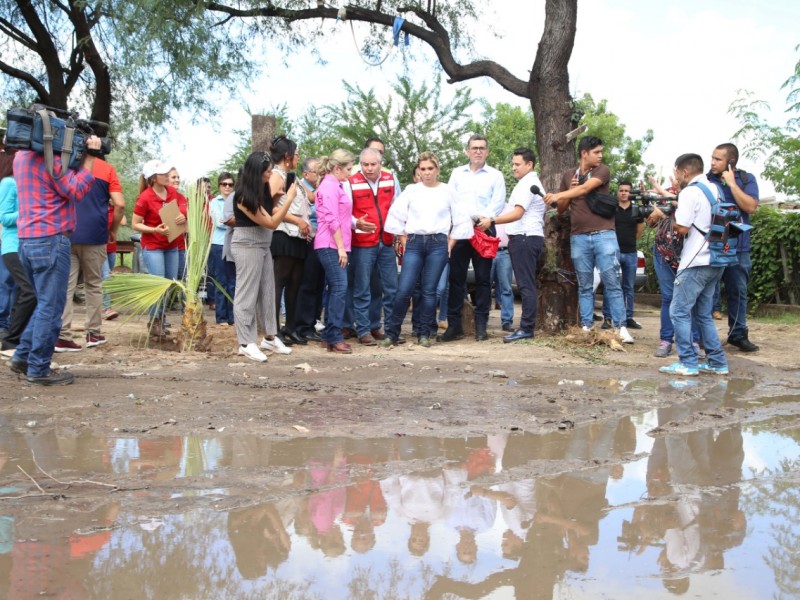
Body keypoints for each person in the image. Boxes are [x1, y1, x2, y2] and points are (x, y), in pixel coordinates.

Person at [9, 131, 102, 385]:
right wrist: (90, 158)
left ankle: (22, 356)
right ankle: (38, 369)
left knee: (43, 305)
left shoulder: (20, 157)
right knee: (51, 308)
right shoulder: (49, 160)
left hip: (27, 240)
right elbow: (76, 190)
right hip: (51, 239)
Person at [544, 135, 633, 344]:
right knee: (584, 285)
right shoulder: (568, 175)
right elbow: (562, 209)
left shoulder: (602, 171)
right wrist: (566, 195)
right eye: (596, 152)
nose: (600, 155)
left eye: (601, 151)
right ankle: (585, 326)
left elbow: (585, 188)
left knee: (612, 283)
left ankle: (620, 327)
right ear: (584, 153)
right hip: (579, 237)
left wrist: (559, 194)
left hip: (604, 235)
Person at [381, 151, 473, 347]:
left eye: (430, 168)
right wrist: (403, 238)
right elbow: (395, 215)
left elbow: (461, 219)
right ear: (418, 171)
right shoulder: (411, 191)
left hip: (438, 243)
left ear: (437, 169)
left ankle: (425, 333)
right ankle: (392, 333)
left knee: (430, 291)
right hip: (414, 242)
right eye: (423, 169)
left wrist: (450, 243)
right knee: (404, 289)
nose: (427, 173)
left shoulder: (448, 191)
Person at [659, 153, 729, 377]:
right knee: (703, 314)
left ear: (684, 172)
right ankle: (718, 362)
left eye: (677, 172)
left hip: (695, 261)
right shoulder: (715, 189)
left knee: (678, 312)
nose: (676, 177)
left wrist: (668, 215)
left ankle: (688, 362)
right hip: (716, 259)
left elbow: (682, 227)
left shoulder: (690, 191)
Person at [55, 154, 125, 352]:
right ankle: (93, 334)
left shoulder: (64, 163)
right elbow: (119, 204)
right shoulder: (106, 168)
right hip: (95, 235)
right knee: (93, 285)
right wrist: (113, 229)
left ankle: (63, 336)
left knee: (66, 287)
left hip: (66, 233)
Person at [230, 152, 295, 362]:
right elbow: (271, 222)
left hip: (264, 244)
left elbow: (268, 211)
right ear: (256, 172)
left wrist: (277, 197)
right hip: (247, 245)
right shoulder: (242, 196)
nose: (270, 176)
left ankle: (269, 337)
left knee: (268, 291)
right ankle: (246, 342)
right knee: (246, 294)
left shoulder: (263, 188)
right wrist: (289, 198)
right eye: (267, 172)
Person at [440, 134, 506, 342]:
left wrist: (481, 219)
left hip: (483, 229)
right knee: (456, 279)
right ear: (467, 151)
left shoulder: (496, 175)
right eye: (474, 147)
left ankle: (481, 326)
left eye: (482, 148)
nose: (478, 151)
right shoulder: (457, 174)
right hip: (460, 230)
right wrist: (463, 221)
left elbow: (498, 202)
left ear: (487, 151)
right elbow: (450, 199)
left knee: (484, 280)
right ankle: (454, 326)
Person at [478, 147, 546, 343]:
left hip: (525, 237)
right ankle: (526, 327)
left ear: (529, 164)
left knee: (525, 285)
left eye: (517, 164)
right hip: (524, 238)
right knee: (526, 284)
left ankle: (526, 328)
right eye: (513, 164)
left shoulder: (528, 183)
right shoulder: (528, 183)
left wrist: (491, 220)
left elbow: (517, 213)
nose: (513, 168)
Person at [707, 143, 759, 352]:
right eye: (711, 157)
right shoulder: (705, 181)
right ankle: (705, 337)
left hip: (739, 247)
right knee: (707, 293)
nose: (712, 162)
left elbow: (750, 207)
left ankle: (738, 334)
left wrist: (732, 185)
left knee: (738, 291)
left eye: (717, 159)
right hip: (712, 246)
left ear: (731, 161)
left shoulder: (746, 180)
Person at [348, 146, 399, 346]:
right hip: (362, 242)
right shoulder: (351, 182)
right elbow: (346, 211)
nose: (369, 168)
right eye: (365, 164)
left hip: (386, 240)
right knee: (363, 288)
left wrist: (397, 232)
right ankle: (363, 330)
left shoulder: (390, 179)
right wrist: (355, 223)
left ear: (380, 163)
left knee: (389, 287)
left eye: (373, 164)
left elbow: (397, 206)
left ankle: (383, 327)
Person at [131, 159, 186, 337]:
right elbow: (135, 224)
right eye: (163, 173)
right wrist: (154, 230)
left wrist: (182, 217)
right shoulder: (145, 197)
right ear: (154, 178)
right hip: (153, 245)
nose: (166, 175)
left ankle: (161, 319)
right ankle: (155, 321)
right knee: (158, 284)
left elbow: (184, 207)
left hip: (172, 244)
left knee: (170, 283)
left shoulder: (172, 192)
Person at [269, 135, 310, 346]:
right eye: (296, 154)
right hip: (284, 233)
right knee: (279, 283)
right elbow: (269, 206)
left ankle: (291, 327)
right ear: (287, 156)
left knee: (295, 283)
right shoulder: (277, 175)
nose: (298, 157)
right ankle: (273, 330)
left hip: (298, 236)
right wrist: (296, 220)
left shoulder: (291, 177)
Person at [314, 149, 357, 354]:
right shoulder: (329, 186)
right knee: (340, 288)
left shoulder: (334, 184)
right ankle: (334, 335)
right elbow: (332, 219)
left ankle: (329, 335)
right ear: (337, 168)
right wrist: (341, 247)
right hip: (331, 245)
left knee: (336, 289)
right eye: (348, 169)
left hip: (335, 244)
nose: (350, 173)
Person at [0, 151, 36, 353]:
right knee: (29, 292)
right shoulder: (8, 183)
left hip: (27, 244)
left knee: (24, 292)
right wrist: (28, 211)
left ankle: (17, 339)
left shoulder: (26, 186)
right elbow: (4, 218)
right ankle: (11, 340)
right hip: (12, 246)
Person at [601, 181, 644, 330]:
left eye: (627, 190)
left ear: (630, 193)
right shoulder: (612, 209)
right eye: (621, 190)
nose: (624, 193)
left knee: (628, 287)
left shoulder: (636, 210)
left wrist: (630, 242)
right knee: (610, 286)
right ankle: (607, 317)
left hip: (631, 252)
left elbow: (639, 231)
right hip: (613, 252)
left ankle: (629, 317)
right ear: (617, 192)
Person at [293, 158, 325, 343]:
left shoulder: (318, 188)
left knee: (319, 283)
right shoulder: (299, 188)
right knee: (308, 284)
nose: (321, 174)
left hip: (323, 238)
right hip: (308, 238)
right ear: (306, 174)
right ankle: (303, 326)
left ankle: (312, 322)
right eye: (317, 172)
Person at [208, 172, 236, 325]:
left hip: (234, 243)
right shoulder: (214, 202)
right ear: (219, 186)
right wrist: (232, 220)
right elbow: (220, 222)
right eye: (224, 184)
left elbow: (227, 220)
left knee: (233, 282)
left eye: (230, 184)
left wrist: (230, 220)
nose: (227, 187)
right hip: (219, 244)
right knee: (221, 281)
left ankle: (233, 317)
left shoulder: (236, 200)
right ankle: (221, 317)